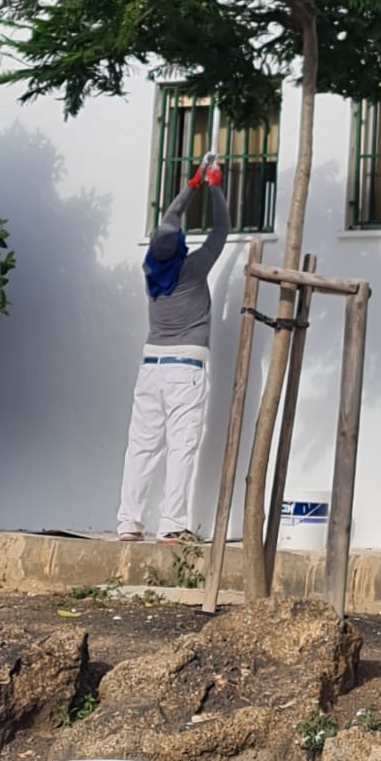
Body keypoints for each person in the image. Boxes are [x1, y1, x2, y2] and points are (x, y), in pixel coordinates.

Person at [116, 157, 229, 543]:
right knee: (181, 444)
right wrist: (212, 186)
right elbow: (221, 229)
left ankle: (129, 522)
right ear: (181, 248)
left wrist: (190, 185)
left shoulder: (151, 270)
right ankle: (171, 524)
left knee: (142, 446)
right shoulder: (194, 268)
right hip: (185, 367)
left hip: (151, 366)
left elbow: (169, 220)